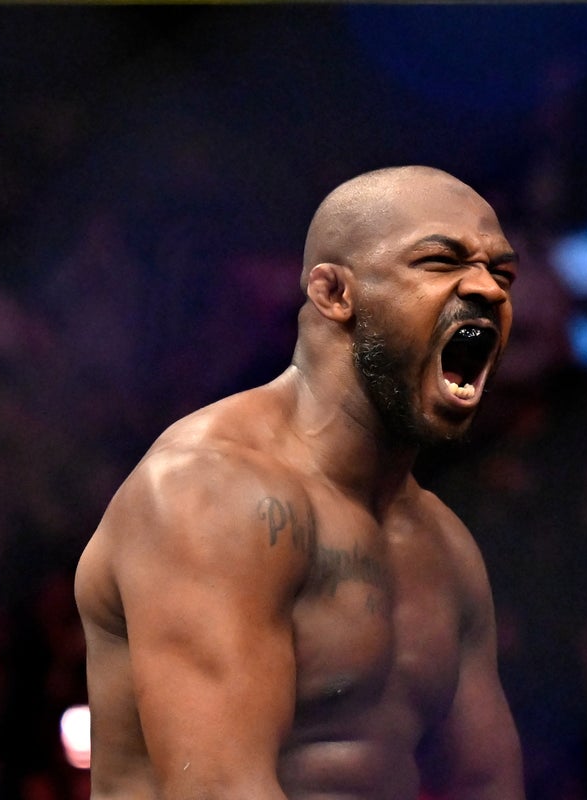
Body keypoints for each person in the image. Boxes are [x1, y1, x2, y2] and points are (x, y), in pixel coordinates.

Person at [74, 165, 525, 799]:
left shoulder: (447, 548)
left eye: (501, 272)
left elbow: (487, 786)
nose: (486, 288)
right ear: (334, 292)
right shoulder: (208, 490)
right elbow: (219, 791)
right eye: (439, 261)